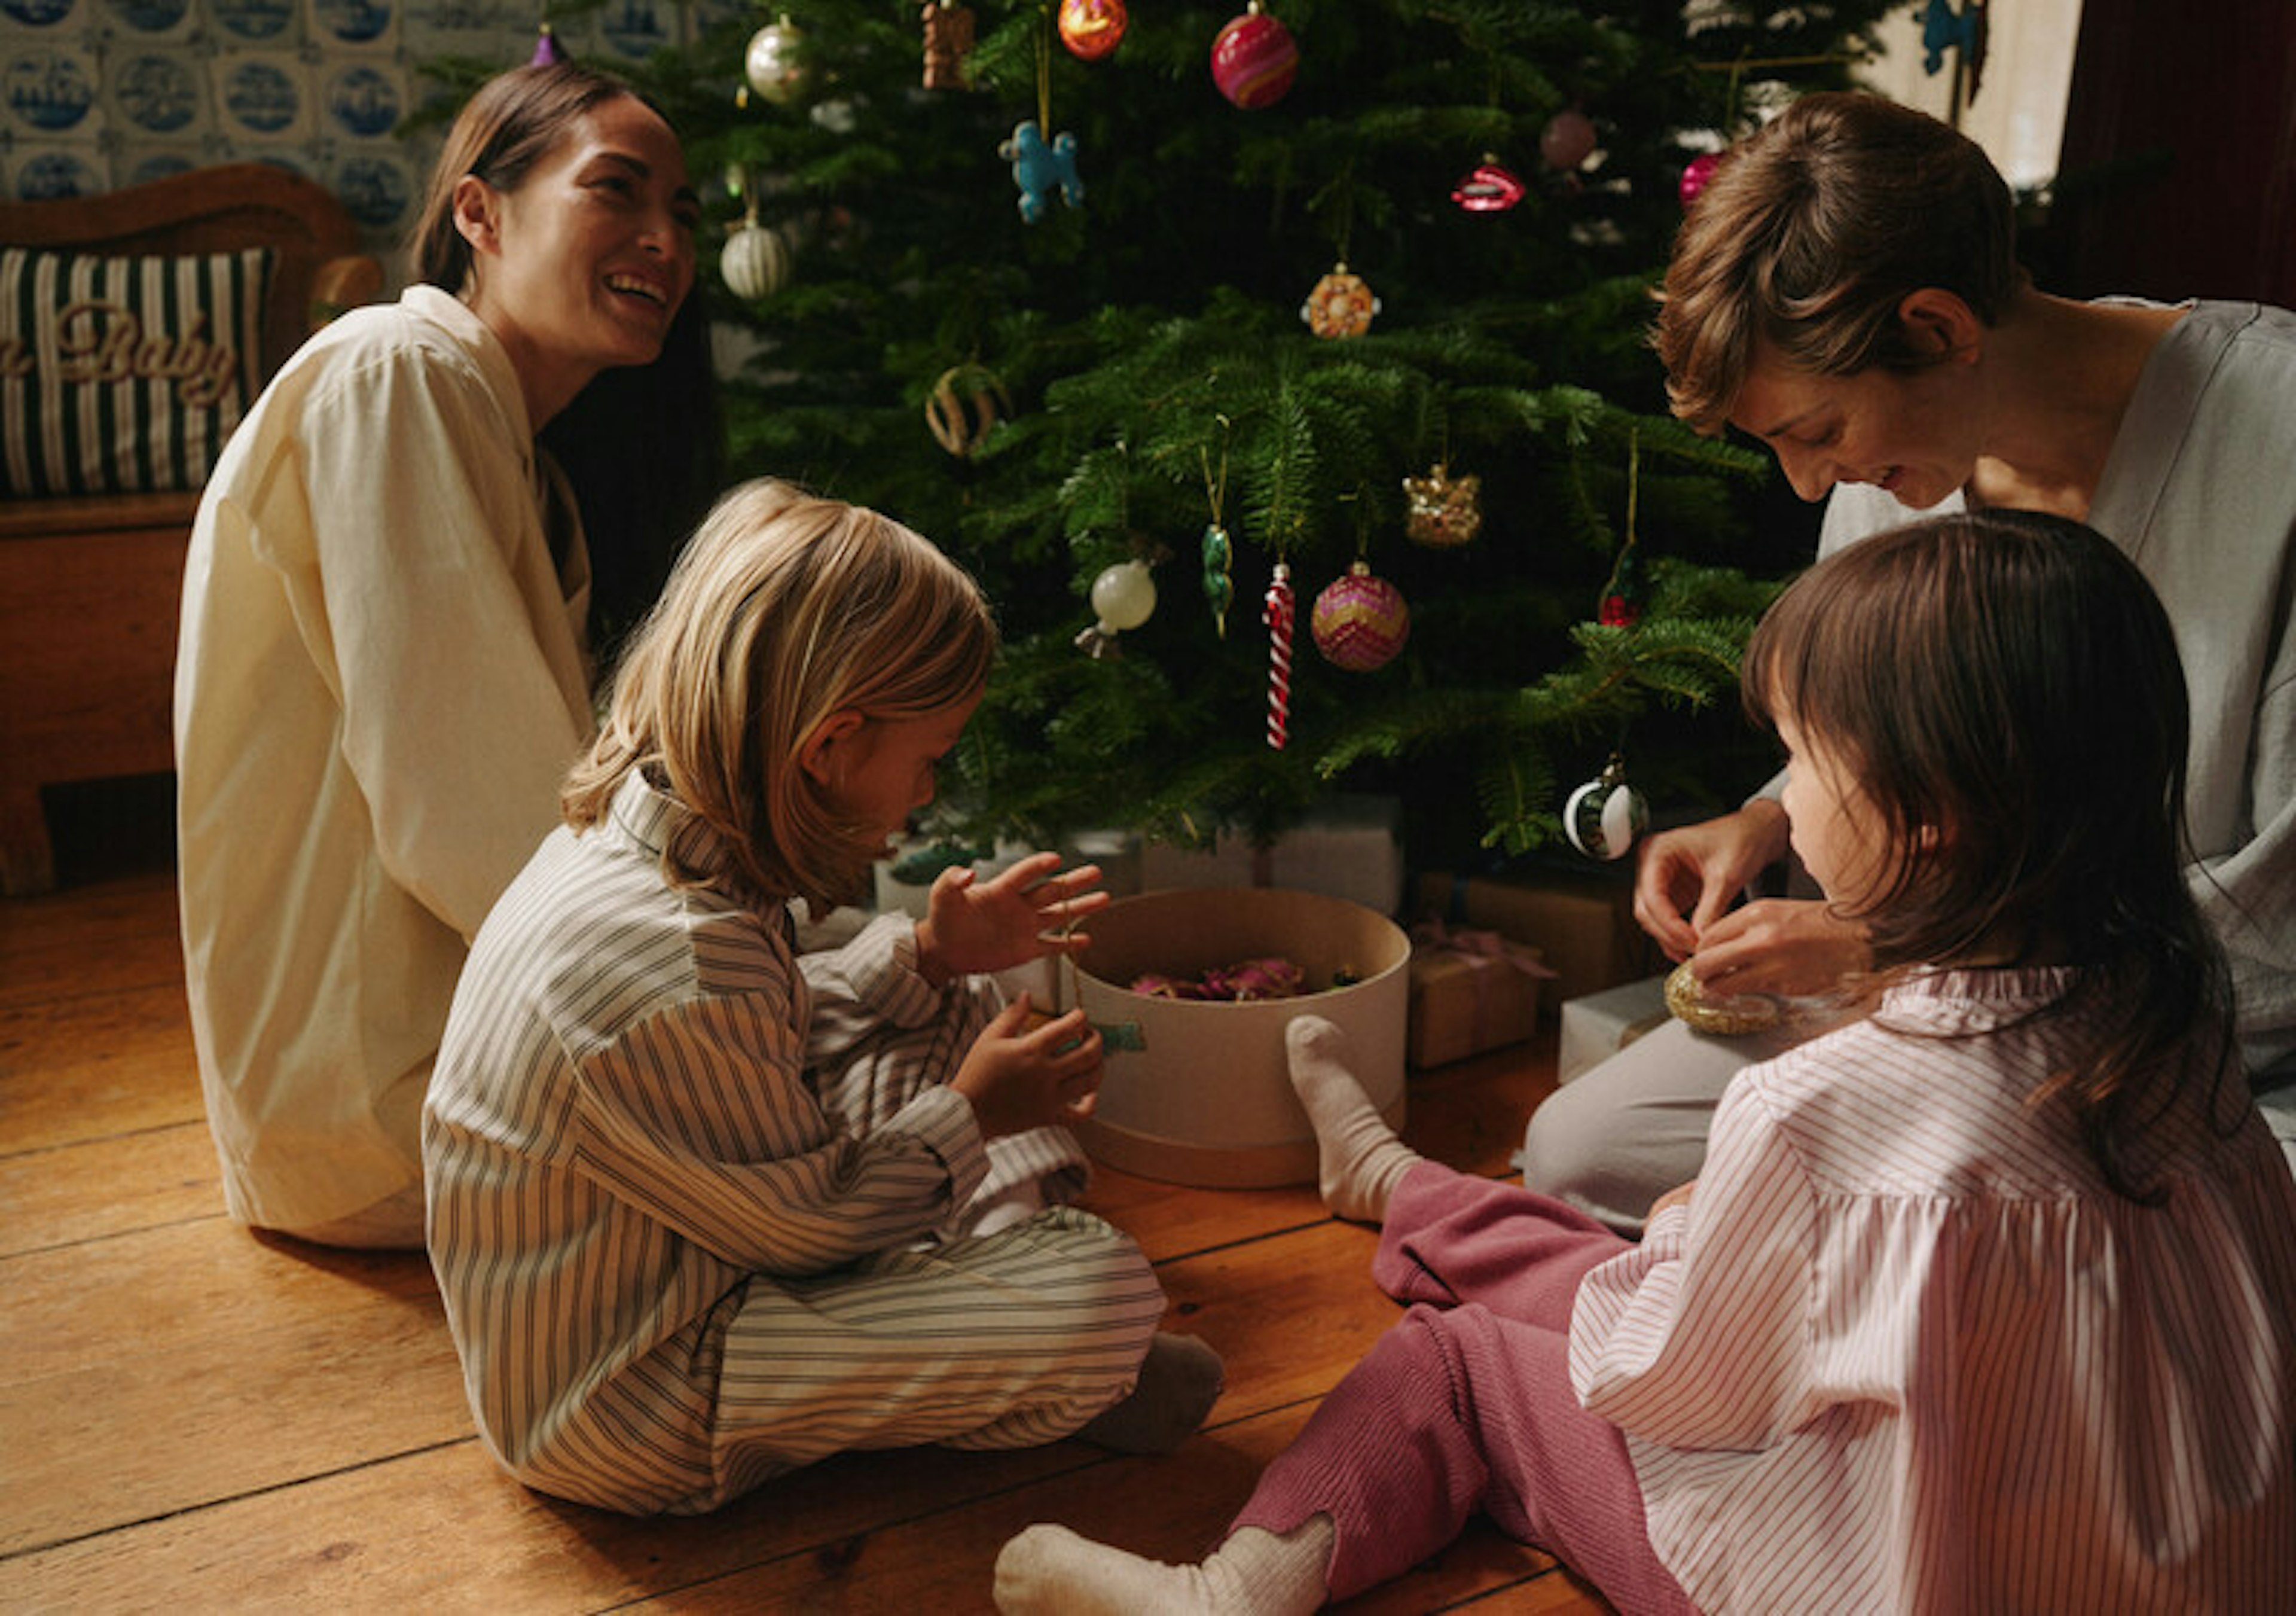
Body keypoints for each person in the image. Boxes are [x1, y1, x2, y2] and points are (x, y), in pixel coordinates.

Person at [996, 513, 2296, 1614]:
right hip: (2180, 1565)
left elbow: (1663, 1380)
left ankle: (1230, 1587)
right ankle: (1395, 1184)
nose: (1780, 790)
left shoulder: (1813, 1111)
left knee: (1459, 1361)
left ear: (1930, 819)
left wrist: (1688, 1233)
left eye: (1802, 757)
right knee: (1614, 1254)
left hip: (1858, 1571)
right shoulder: (2165, 1018)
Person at [1523, 89, 2296, 1230]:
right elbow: (1908, 725)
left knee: (2110, 1238)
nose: (1804, 485)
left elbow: (2280, 920)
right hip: (1932, 1018)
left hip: (2226, 1059)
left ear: (1937, 329)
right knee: (1585, 1150)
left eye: (1817, 433)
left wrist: (1906, 943)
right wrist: (1774, 817)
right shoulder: (1898, 477)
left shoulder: (2276, 448)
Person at [423, 479, 1223, 1517]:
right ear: (829, 745)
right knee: (1104, 1296)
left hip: (708, 1237)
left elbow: (776, 1020)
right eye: (928, 760)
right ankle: (1009, 1308)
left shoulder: (655, 843)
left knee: (947, 1005)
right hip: (640, 1396)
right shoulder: (670, 967)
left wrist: (935, 953)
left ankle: (969, 1274)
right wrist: (979, 1111)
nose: (931, 792)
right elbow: (803, 1224)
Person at [175, 62, 716, 1249]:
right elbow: (470, 811)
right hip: (388, 1120)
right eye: (617, 191)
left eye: (685, 213)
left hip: (412, 1085)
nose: (664, 240)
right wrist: (713, 988)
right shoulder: (393, 370)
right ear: (479, 212)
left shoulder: (520, 454)